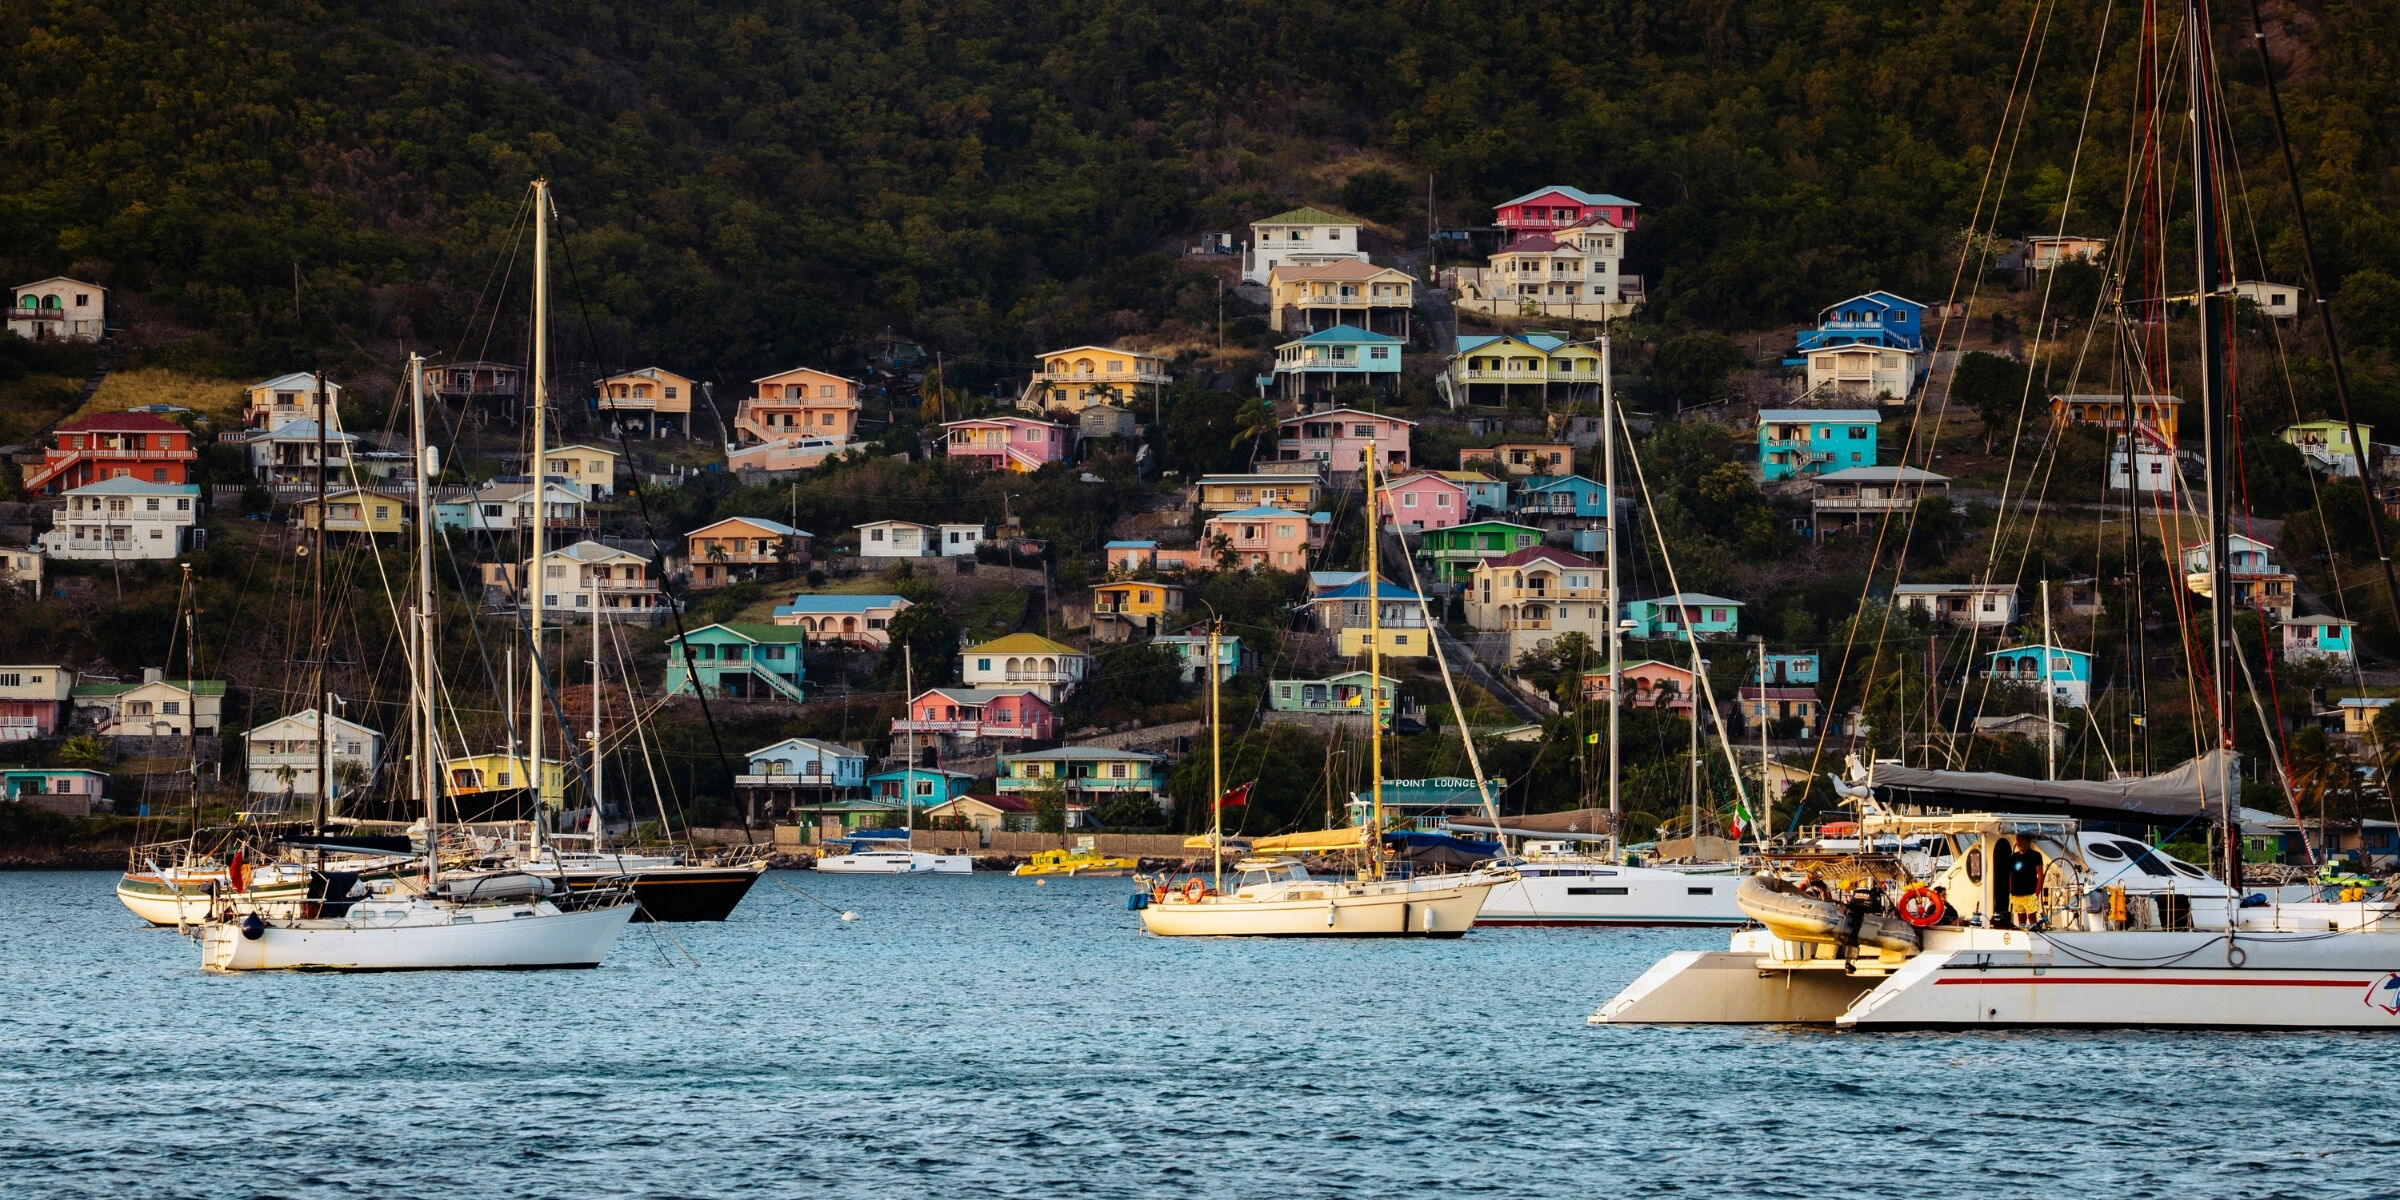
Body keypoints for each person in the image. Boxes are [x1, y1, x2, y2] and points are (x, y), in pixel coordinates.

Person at [2009, 838, 2046, 926]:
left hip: (2030, 893)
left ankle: (2034, 934)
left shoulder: (2036, 855)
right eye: (2017, 839)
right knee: (2021, 919)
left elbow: (2040, 875)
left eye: (2022, 840)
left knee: (2032, 917)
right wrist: (2011, 889)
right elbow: (2010, 874)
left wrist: (2037, 892)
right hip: (2017, 893)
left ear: (2028, 841)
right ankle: (2023, 934)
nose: (2019, 842)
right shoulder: (2014, 856)